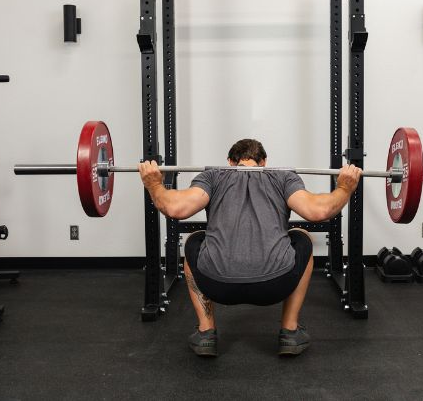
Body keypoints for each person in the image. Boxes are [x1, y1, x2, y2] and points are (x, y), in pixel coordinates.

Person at [138, 139, 362, 357]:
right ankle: (290, 332)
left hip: (216, 285)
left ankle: (206, 333)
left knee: (193, 242)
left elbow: (176, 208)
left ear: (230, 162)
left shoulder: (214, 176)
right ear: (264, 162)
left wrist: (154, 184)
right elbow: (318, 212)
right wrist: (344, 187)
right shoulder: (282, 176)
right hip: (276, 285)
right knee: (302, 238)